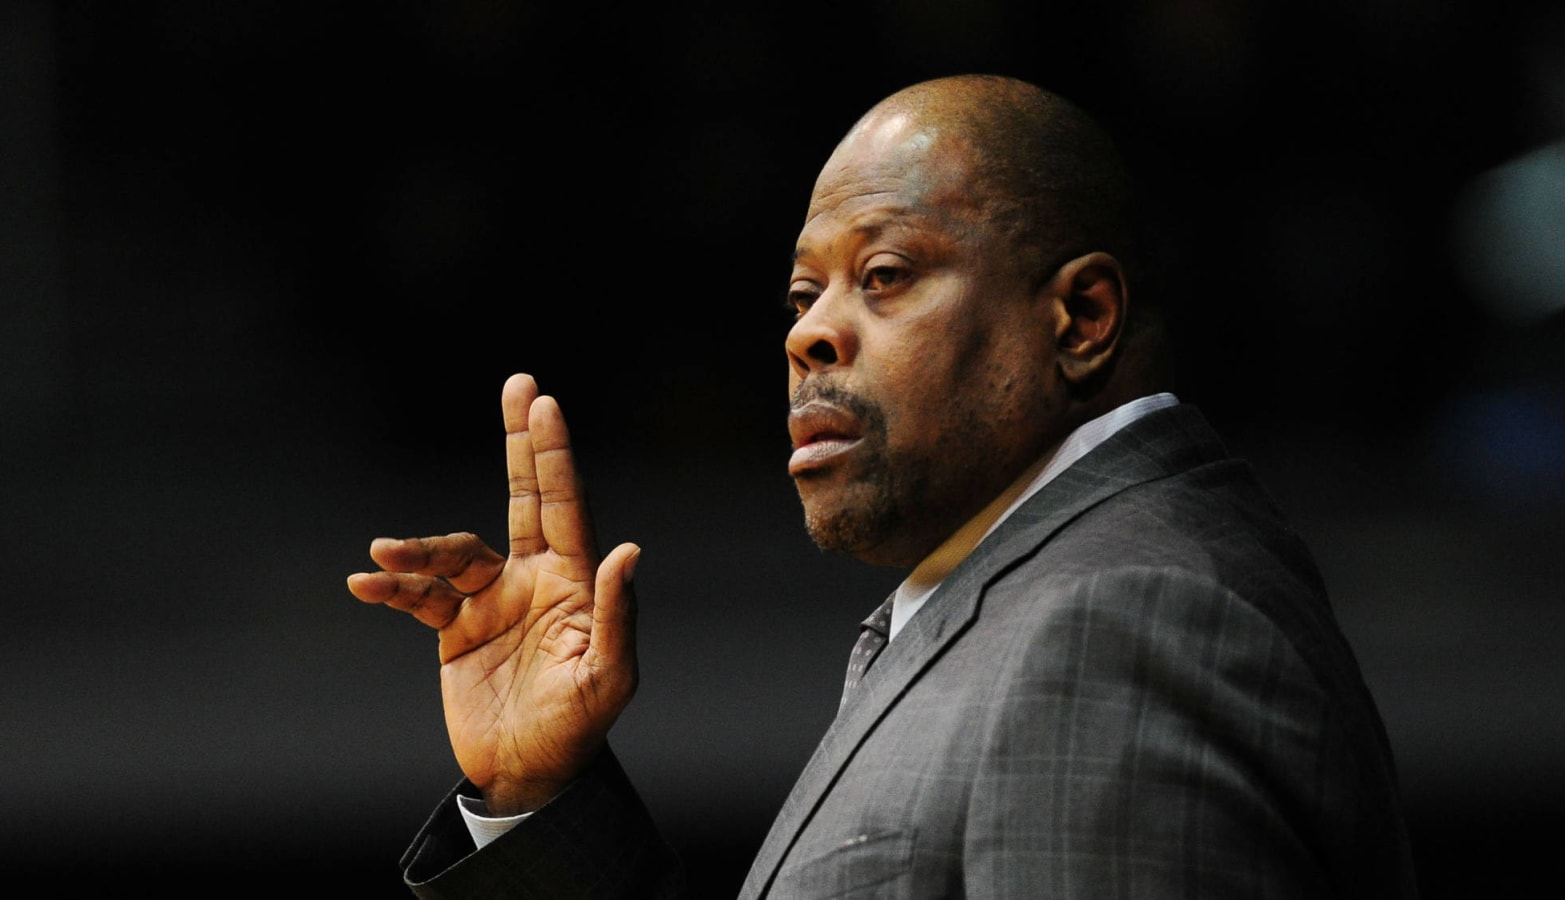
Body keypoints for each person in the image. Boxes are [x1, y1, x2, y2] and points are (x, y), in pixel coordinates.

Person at [347, 73, 1419, 898]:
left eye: (885, 275)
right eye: (804, 292)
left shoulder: (1122, 620)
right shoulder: (1033, 602)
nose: (809, 331)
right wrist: (540, 797)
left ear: (1081, 319)